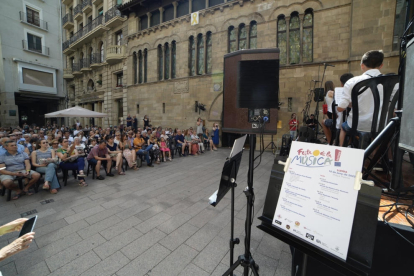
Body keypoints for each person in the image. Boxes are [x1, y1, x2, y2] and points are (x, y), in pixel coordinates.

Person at [337, 50, 398, 146]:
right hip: (382, 126)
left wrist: (350, 104)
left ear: (362, 65)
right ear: (381, 65)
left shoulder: (352, 81)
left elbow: (340, 108)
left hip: (357, 125)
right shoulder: (393, 84)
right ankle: (375, 158)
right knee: (379, 130)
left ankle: (341, 151)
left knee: (343, 127)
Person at [321, 73, 354, 144]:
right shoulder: (355, 93)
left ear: (342, 84)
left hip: (339, 123)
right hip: (354, 122)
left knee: (324, 122)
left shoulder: (337, 95)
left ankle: (330, 142)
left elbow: (335, 112)